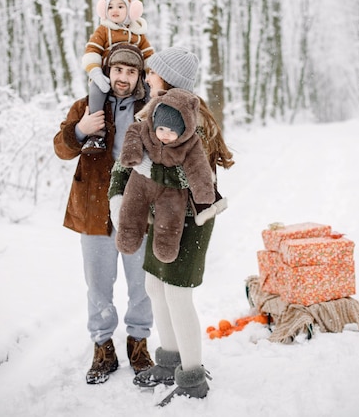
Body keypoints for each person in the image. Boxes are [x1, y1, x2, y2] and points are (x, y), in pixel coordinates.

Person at [108, 47, 234, 406]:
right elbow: (127, 161)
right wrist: (118, 194)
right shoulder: (153, 111)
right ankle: (170, 360)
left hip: (191, 220)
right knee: (153, 285)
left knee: (178, 294)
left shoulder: (197, 119)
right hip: (159, 217)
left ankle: (192, 377)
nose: (146, 77)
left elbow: (197, 176)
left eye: (152, 72)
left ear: (168, 78)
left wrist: (148, 170)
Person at [53, 43, 154, 385]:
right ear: (107, 71)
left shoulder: (150, 107)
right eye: (118, 70)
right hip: (95, 208)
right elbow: (61, 147)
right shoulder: (87, 105)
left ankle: (139, 344)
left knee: (142, 284)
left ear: (139, 76)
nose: (123, 78)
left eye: (131, 71)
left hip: (138, 209)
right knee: (98, 284)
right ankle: (103, 349)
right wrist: (80, 129)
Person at [116, 88, 216, 264]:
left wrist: (203, 191)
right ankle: (128, 235)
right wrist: (132, 153)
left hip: (171, 191)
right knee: (131, 209)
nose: (165, 135)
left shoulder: (191, 143)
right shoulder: (146, 129)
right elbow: (133, 132)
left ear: (184, 129)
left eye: (172, 131)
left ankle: (166, 245)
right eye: (161, 128)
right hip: (140, 183)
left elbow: (198, 167)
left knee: (169, 220)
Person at [81, 0, 153, 154]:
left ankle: (149, 126)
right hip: (104, 76)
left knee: (149, 91)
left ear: (131, 10)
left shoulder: (138, 34)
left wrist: (152, 73)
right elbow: (92, 51)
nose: (114, 10)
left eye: (120, 6)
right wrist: (95, 72)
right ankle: (96, 134)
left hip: (137, 83)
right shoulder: (104, 30)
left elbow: (149, 55)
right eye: (110, 6)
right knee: (96, 89)